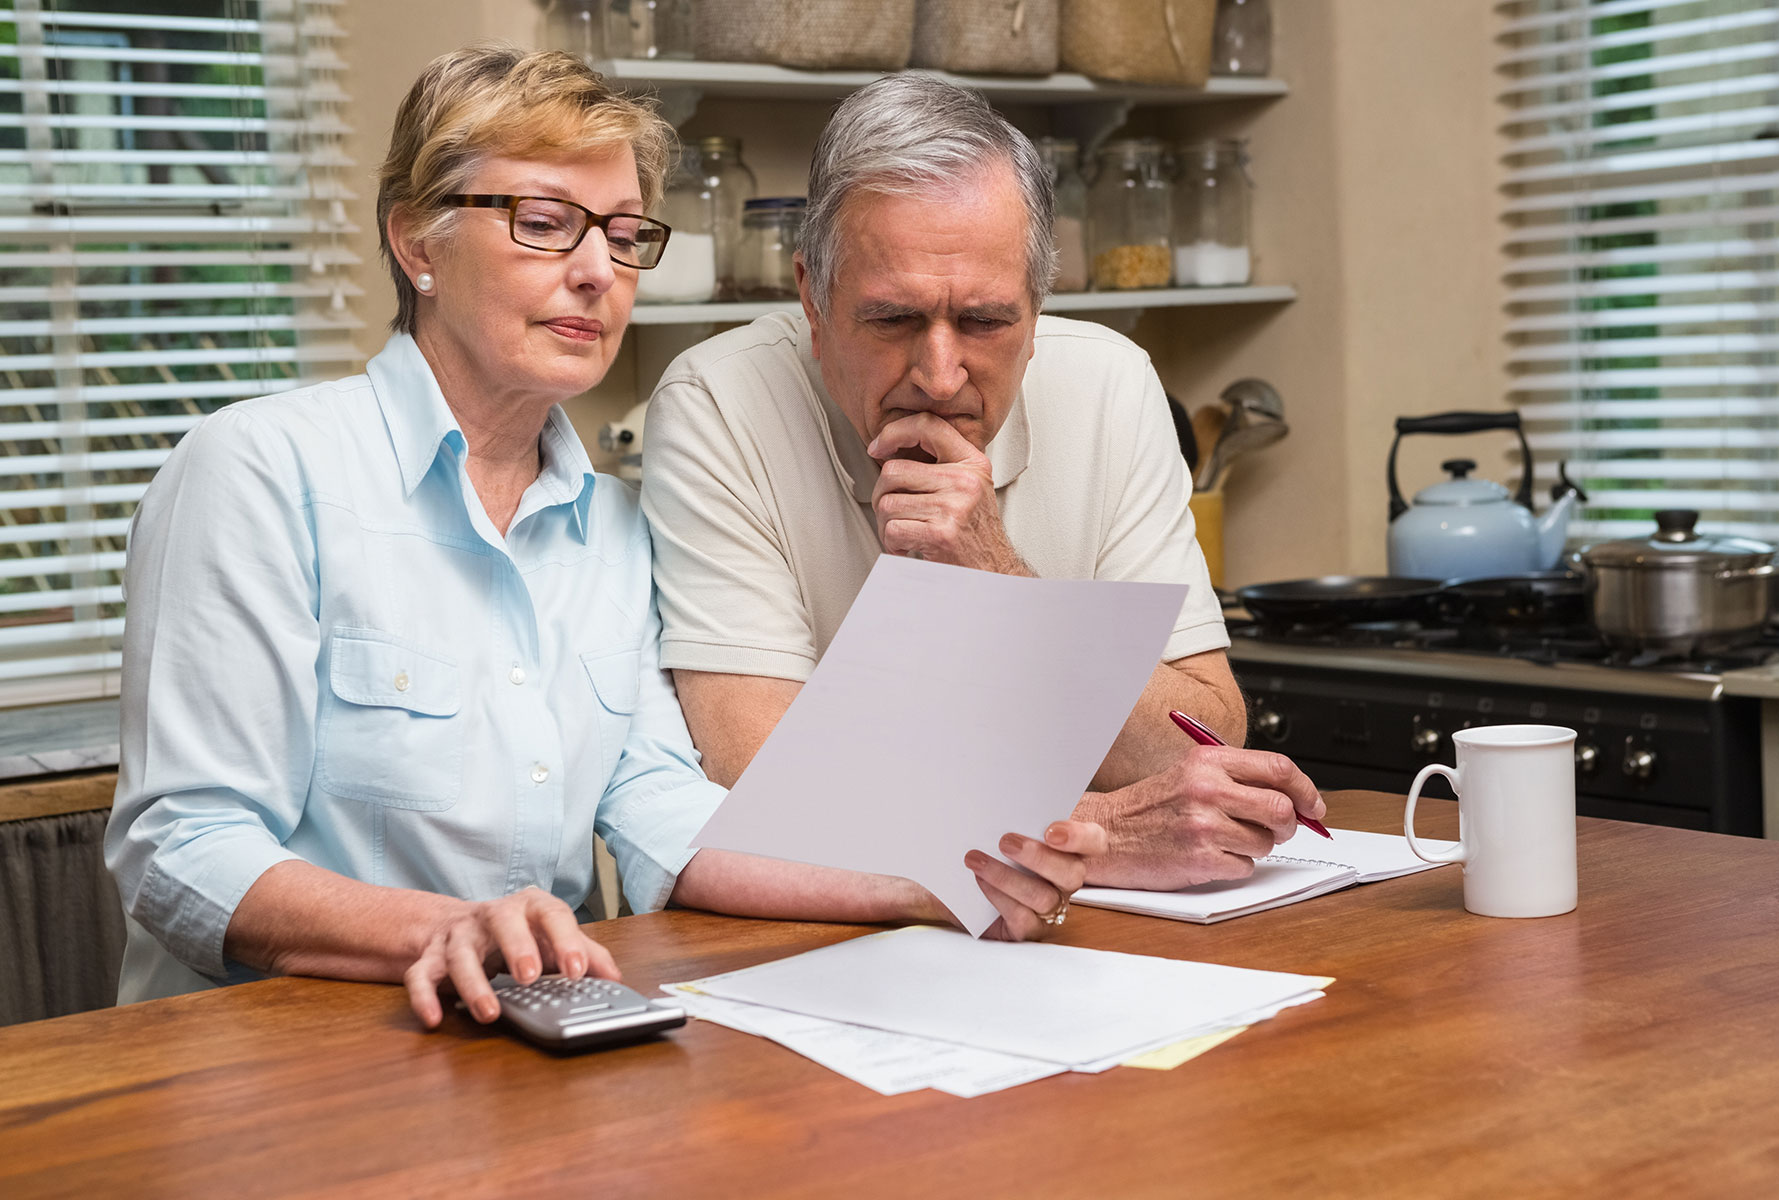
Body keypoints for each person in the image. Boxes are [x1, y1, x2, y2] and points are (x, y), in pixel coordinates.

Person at [105, 48, 1101, 1029]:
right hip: (273, 1073)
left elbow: (664, 812)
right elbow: (183, 849)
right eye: (545, 224)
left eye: (624, 237)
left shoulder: (615, 529)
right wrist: (448, 930)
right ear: (416, 243)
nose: (597, 272)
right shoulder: (258, 472)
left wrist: (928, 879)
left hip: (532, 1043)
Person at [641, 73, 1326, 891]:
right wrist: (1096, 830)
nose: (938, 375)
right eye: (892, 319)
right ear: (812, 302)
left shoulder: (1111, 384)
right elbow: (759, 787)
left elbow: (1202, 744)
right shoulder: (717, 403)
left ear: (1037, 311)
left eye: (986, 321)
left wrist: (995, 575)